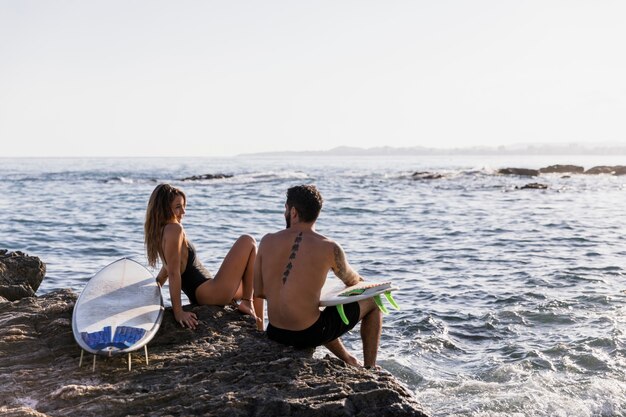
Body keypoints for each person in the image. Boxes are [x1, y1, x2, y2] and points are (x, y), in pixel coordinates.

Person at [253, 184, 382, 367]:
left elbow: (259, 291)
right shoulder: (329, 247)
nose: (285, 212)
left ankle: (348, 359)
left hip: (275, 332)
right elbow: (353, 281)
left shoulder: (266, 241)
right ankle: (371, 369)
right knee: (375, 300)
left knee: (314, 311)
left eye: (286, 208)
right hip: (307, 334)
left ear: (294, 212)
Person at [144, 183, 263, 330]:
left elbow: (166, 269)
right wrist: (178, 312)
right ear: (164, 208)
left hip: (205, 293)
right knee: (248, 240)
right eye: (178, 207)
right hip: (209, 292)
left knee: (258, 283)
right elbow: (174, 273)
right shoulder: (174, 229)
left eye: (183, 206)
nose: (184, 211)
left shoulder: (161, 232)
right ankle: (249, 307)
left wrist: (150, 293)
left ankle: (258, 327)